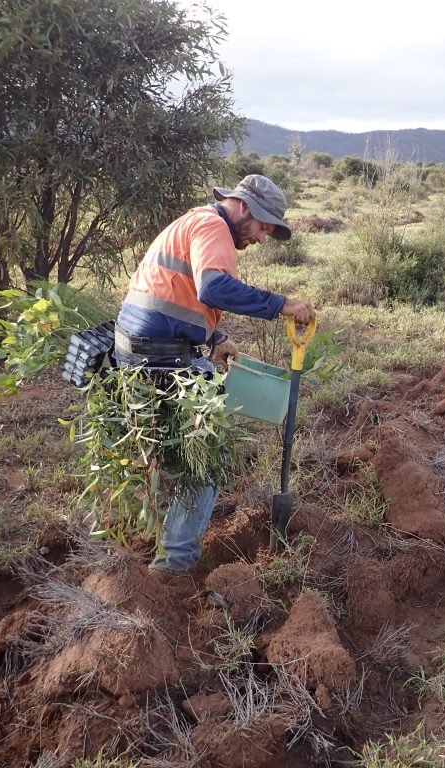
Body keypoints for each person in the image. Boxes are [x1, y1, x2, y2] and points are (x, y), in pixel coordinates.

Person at [113, 174, 315, 584]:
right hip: (161, 356)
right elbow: (214, 287)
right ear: (241, 207)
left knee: (168, 447)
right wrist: (282, 305)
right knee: (206, 457)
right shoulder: (214, 226)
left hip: (138, 349)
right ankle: (175, 564)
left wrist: (214, 336)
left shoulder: (193, 222)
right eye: (262, 226)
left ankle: (154, 531)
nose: (261, 237)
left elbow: (177, 292)